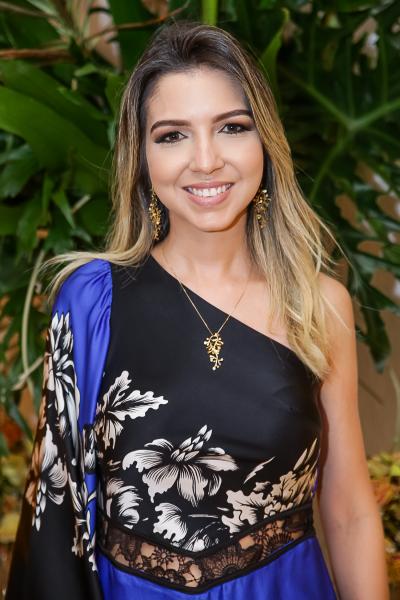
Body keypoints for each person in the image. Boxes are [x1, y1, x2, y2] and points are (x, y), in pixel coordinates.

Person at [6, 20, 389, 600]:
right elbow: (55, 515)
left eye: (232, 127)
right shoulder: (91, 301)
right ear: (142, 158)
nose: (205, 161)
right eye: (173, 136)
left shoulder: (318, 306)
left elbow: (350, 508)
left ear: (265, 142)